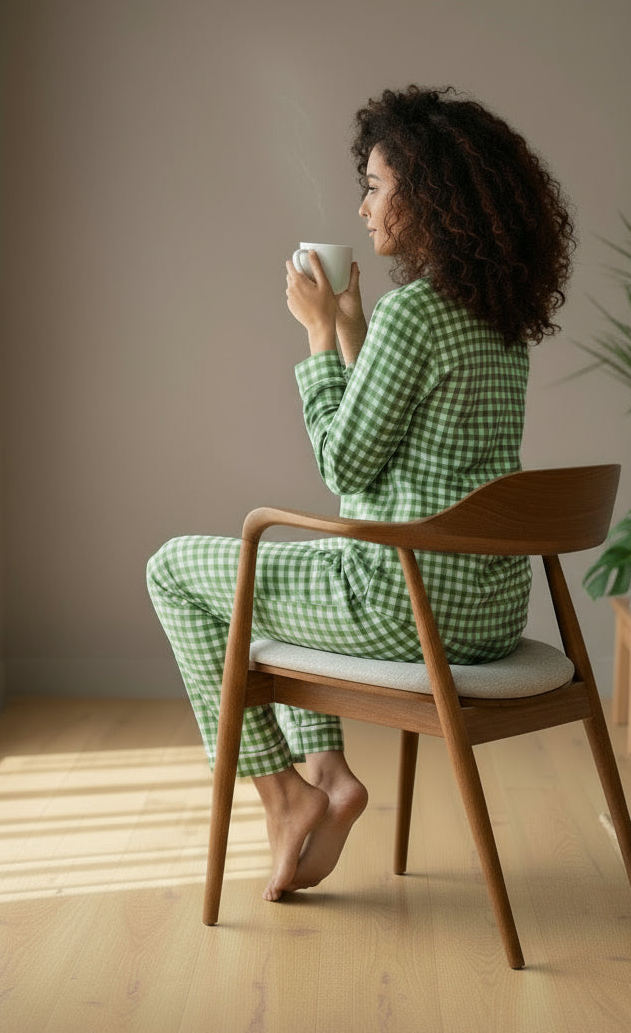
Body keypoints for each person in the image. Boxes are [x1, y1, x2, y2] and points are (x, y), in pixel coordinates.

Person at [146, 85, 574, 903]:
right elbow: (401, 444)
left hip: (405, 609)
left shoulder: (415, 311)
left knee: (175, 569)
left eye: (376, 187)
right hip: (487, 615)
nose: (364, 206)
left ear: (428, 197)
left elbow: (347, 465)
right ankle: (330, 774)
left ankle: (287, 795)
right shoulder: (496, 323)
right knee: (282, 579)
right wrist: (350, 328)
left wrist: (315, 335)